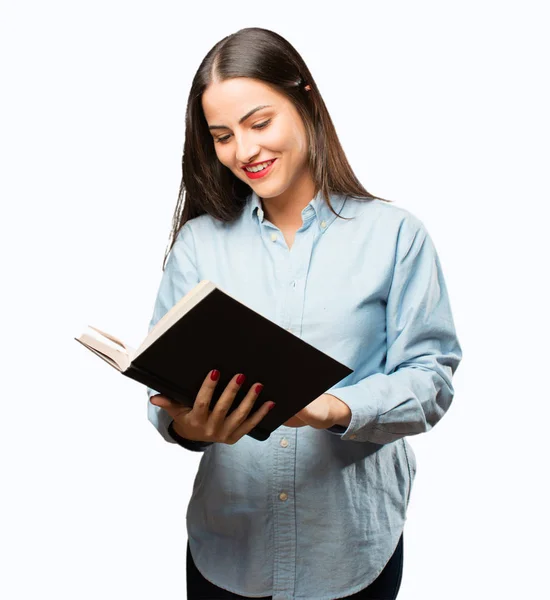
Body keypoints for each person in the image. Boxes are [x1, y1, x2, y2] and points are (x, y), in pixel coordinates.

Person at [146, 27, 462, 600]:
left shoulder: (395, 237)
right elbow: (165, 398)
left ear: (306, 101)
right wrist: (192, 425)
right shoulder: (198, 245)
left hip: (350, 549)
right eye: (221, 135)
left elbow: (431, 382)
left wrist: (331, 409)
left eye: (259, 123)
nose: (244, 151)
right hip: (228, 550)